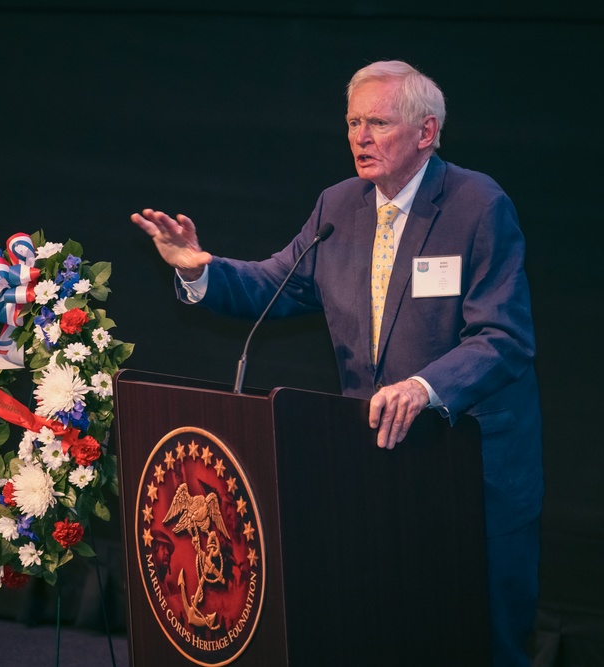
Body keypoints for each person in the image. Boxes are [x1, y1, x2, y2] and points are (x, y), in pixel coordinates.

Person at [131, 59, 543, 667]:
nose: (359, 137)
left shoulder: (477, 205)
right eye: (353, 122)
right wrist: (201, 269)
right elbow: (277, 282)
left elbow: (503, 337)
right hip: (373, 467)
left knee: (481, 642)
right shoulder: (339, 206)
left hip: (469, 466)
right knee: (386, 631)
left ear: (426, 133)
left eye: (377, 122)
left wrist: (424, 386)